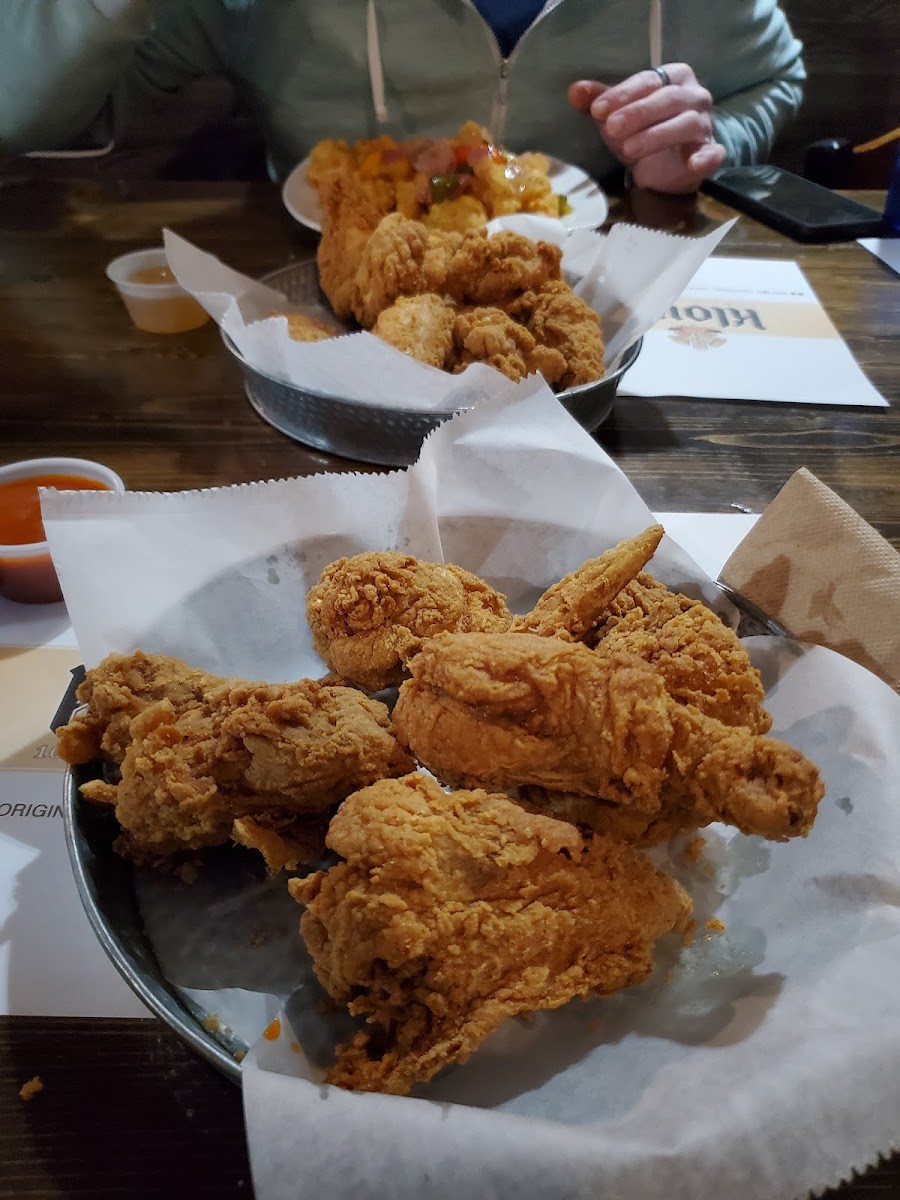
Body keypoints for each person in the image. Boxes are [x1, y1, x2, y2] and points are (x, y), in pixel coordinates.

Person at [0, 0, 804, 195]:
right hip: (309, 334)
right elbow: (32, 119)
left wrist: (713, 139)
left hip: (605, 344)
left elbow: (777, 78)